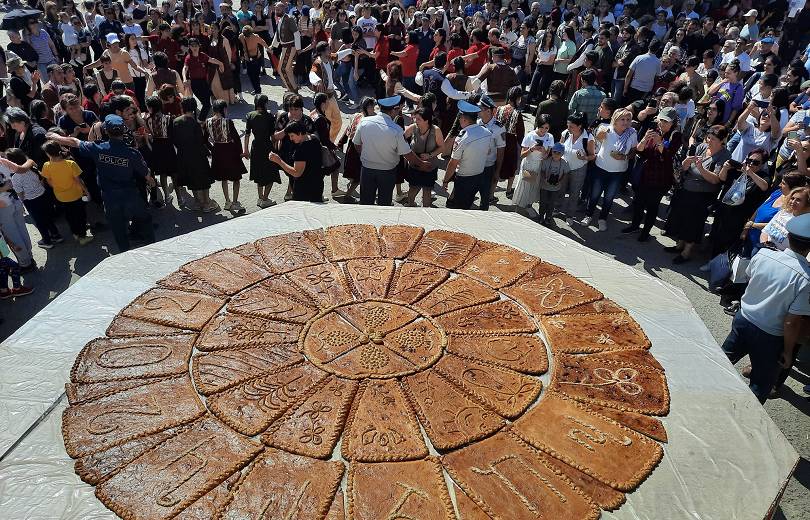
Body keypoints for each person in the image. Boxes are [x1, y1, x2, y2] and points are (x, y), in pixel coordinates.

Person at [721, 213, 810, 403]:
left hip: (743, 319)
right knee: (759, 386)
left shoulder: (764, 254)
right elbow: (791, 321)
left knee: (720, 360)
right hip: (770, 335)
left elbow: (750, 279)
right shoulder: (806, 278)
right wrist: (787, 351)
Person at [46, 115, 156, 253]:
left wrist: (56, 137)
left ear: (105, 131)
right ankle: (152, 246)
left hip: (109, 196)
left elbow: (75, 142)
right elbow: (146, 175)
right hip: (130, 195)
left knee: (118, 227)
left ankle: (125, 252)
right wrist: (151, 182)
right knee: (144, 218)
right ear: (123, 130)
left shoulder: (97, 148)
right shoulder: (132, 153)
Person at [666, 125, 731, 262]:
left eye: (713, 139)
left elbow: (715, 179)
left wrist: (701, 168)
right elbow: (685, 168)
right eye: (708, 137)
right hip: (687, 189)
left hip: (703, 196)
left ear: (721, 141)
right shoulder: (701, 147)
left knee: (694, 223)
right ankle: (679, 244)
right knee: (682, 218)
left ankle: (686, 252)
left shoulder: (724, 155)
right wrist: (685, 163)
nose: (709, 141)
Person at [352, 95, 431, 206]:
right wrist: (422, 164)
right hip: (387, 172)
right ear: (394, 110)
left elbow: (356, 144)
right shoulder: (396, 130)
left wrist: (365, 155)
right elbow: (407, 154)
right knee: (384, 205)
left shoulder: (364, 122)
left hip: (367, 170)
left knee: (365, 203)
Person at [624, 107, 682, 242]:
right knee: (638, 202)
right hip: (646, 173)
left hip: (662, 178)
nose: (661, 123)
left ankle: (646, 231)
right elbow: (641, 152)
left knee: (652, 205)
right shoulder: (653, 131)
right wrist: (644, 140)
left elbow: (669, 156)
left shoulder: (675, 135)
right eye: (660, 120)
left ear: (672, 122)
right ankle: (635, 225)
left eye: (666, 121)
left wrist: (660, 143)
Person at [582, 108, 638, 232]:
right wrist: (602, 132)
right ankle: (588, 215)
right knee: (595, 194)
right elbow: (598, 137)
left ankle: (602, 218)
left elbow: (634, 151)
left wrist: (624, 156)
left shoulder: (632, 133)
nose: (625, 122)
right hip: (601, 168)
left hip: (617, 172)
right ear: (615, 120)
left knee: (609, 197)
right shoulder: (606, 128)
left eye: (628, 119)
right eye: (622, 119)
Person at [5, 149, 62, 249]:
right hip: (43, 195)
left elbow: (20, 194)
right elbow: (41, 179)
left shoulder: (15, 178)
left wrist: (22, 203)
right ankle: (56, 235)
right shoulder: (32, 167)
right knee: (48, 216)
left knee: (40, 222)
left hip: (31, 201)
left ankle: (47, 241)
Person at [40, 141, 93, 246]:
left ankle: (75, 233)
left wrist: (55, 186)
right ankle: (82, 237)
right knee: (80, 216)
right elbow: (79, 180)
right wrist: (87, 192)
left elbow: (48, 180)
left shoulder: (47, 165)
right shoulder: (70, 164)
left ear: (48, 154)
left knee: (69, 215)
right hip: (75, 195)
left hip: (61, 196)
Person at [443, 100, 494, 210]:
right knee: (467, 205)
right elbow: (488, 151)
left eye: (460, 118)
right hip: (478, 176)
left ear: (464, 119)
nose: (459, 120)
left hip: (464, 180)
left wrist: (445, 180)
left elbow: (453, 163)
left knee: (456, 209)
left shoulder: (462, 138)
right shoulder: (487, 132)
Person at [172, 97, 217, 212]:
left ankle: (197, 202)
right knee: (204, 179)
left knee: (191, 178)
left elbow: (174, 140)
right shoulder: (195, 123)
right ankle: (206, 203)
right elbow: (200, 141)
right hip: (197, 155)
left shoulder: (176, 122)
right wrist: (208, 152)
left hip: (183, 155)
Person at [205, 99, 246, 212]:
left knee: (224, 178)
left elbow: (204, 140)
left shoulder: (207, 122)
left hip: (217, 151)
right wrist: (240, 152)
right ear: (223, 109)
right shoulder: (227, 122)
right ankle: (235, 202)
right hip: (230, 150)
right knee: (236, 178)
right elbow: (236, 139)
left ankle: (227, 201)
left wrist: (212, 148)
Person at [269, 121, 323, 203]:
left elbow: (297, 173)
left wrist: (278, 161)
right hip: (317, 185)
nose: (291, 139)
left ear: (300, 133)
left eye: (292, 135)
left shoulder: (301, 150)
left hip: (304, 190)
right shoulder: (314, 139)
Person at [559, 112, 595, 225]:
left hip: (579, 169)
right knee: (560, 189)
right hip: (564, 167)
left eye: (571, 126)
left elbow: (593, 156)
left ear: (579, 126)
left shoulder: (588, 138)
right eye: (568, 125)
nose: (568, 128)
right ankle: (557, 209)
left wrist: (584, 157)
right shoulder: (565, 134)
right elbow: (559, 148)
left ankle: (570, 215)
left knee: (574, 194)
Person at [404, 108, 445, 207]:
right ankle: (411, 205)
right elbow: (401, 139)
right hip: (415, 164)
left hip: (430, 165)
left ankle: (426, 211)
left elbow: (442, 148)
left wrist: (429, 155)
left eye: (418, 119)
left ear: (426, 120)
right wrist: (407, 153)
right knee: (413, 187)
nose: (415, 121)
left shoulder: (436, 130)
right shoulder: (413, 128)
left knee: (427, 189)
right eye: (415, 118)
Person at [244, 94, 278, 208]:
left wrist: (245, 149)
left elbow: (247, 134)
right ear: (265, 104)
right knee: (271, 174)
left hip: (255, 147)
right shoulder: (269, 117)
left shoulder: (250, 115)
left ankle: (260, 197)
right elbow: (273, 137)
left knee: (258, 172)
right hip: (267, 147)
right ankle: (265, 198)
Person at [143, 96, 178, 207]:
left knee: (162, 173)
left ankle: (167, 196)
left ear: (151, 107)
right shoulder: (168, 118)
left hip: (156, 148)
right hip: (168, 147)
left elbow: (150, 136)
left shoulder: (148, 120)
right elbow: (173, 136)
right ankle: (180, 198)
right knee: (174, 173)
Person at [339, 97, 376, 201]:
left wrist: (341, 142)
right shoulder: (366, 121)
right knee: (358, 176)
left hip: (352, 147)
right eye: (371, 107)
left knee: (357, 174)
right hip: (358, 149)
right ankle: (348, 196)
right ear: (366, 107)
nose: (373, 109)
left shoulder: (356, 115)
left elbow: (348, 130)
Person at [183, 38, 225, 120]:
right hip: (195, 83)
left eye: (196, 45)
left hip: (204, 82)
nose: (194, 47)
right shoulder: (188, 58)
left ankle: (216, 116)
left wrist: (220, 63)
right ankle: (200, 121)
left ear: (199, 46)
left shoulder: (203, 55)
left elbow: (211, 59)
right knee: (207, 105)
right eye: (192, 45)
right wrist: (184, 78)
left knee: (212, 97)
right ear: (189, 47)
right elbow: (185, 68)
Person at [495, 86, 525, 197]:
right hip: (511, 141)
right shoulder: (517, 113)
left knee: (498, 164)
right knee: (512, 166)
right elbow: (520, 133)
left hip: (499, 138)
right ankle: (508, 190)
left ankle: (492, 190)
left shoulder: (499, 108)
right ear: (518, 98)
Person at [477, 95, 506, 209]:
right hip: (474, 164)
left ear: (488, 110)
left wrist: (497, 170)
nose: (478, 110)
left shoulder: (499, 128)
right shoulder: (476, 123)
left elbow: (501, 151)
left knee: (485, 198)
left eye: (481, 108)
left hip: (488, 167)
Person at [537, 143, 570, 225]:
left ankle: (548, 217)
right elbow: (543, 171)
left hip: (556, 187)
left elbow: (566, 174)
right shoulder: (546, 161)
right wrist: (545, 178)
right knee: (543, 202)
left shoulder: (564, 163)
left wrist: (560, 181)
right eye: (554, 152)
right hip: (544, 186)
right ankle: (541, 216)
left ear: (562, 154)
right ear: (552, 152)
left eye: (559, 153)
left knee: (552, 204)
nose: (556, 154)